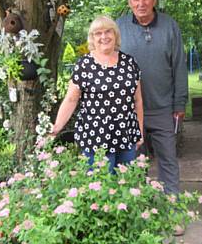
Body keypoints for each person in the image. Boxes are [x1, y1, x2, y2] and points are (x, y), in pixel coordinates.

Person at [117, 0, 188, 200]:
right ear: (129, 2)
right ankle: (140, 210)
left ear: (154, 0)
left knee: (168, 159)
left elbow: (179, 65)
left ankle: (173, 210)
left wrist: (179, 103)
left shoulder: (170, 26)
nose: (141, 4)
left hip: (163, 108)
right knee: (135, 163)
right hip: (129, 110)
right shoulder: (118, 27)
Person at [51, 15, 144, 172]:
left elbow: (138, 101)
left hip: (126, 134)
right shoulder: (84, 65)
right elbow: (71, 99)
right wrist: (57, 127)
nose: (104, 37)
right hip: (95, 137)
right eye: (98, 33)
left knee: (126, 187)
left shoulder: (130, 63)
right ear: (92, 38)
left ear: (115, 35)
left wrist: (139, 131)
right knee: (100, 188)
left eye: (108, 32)